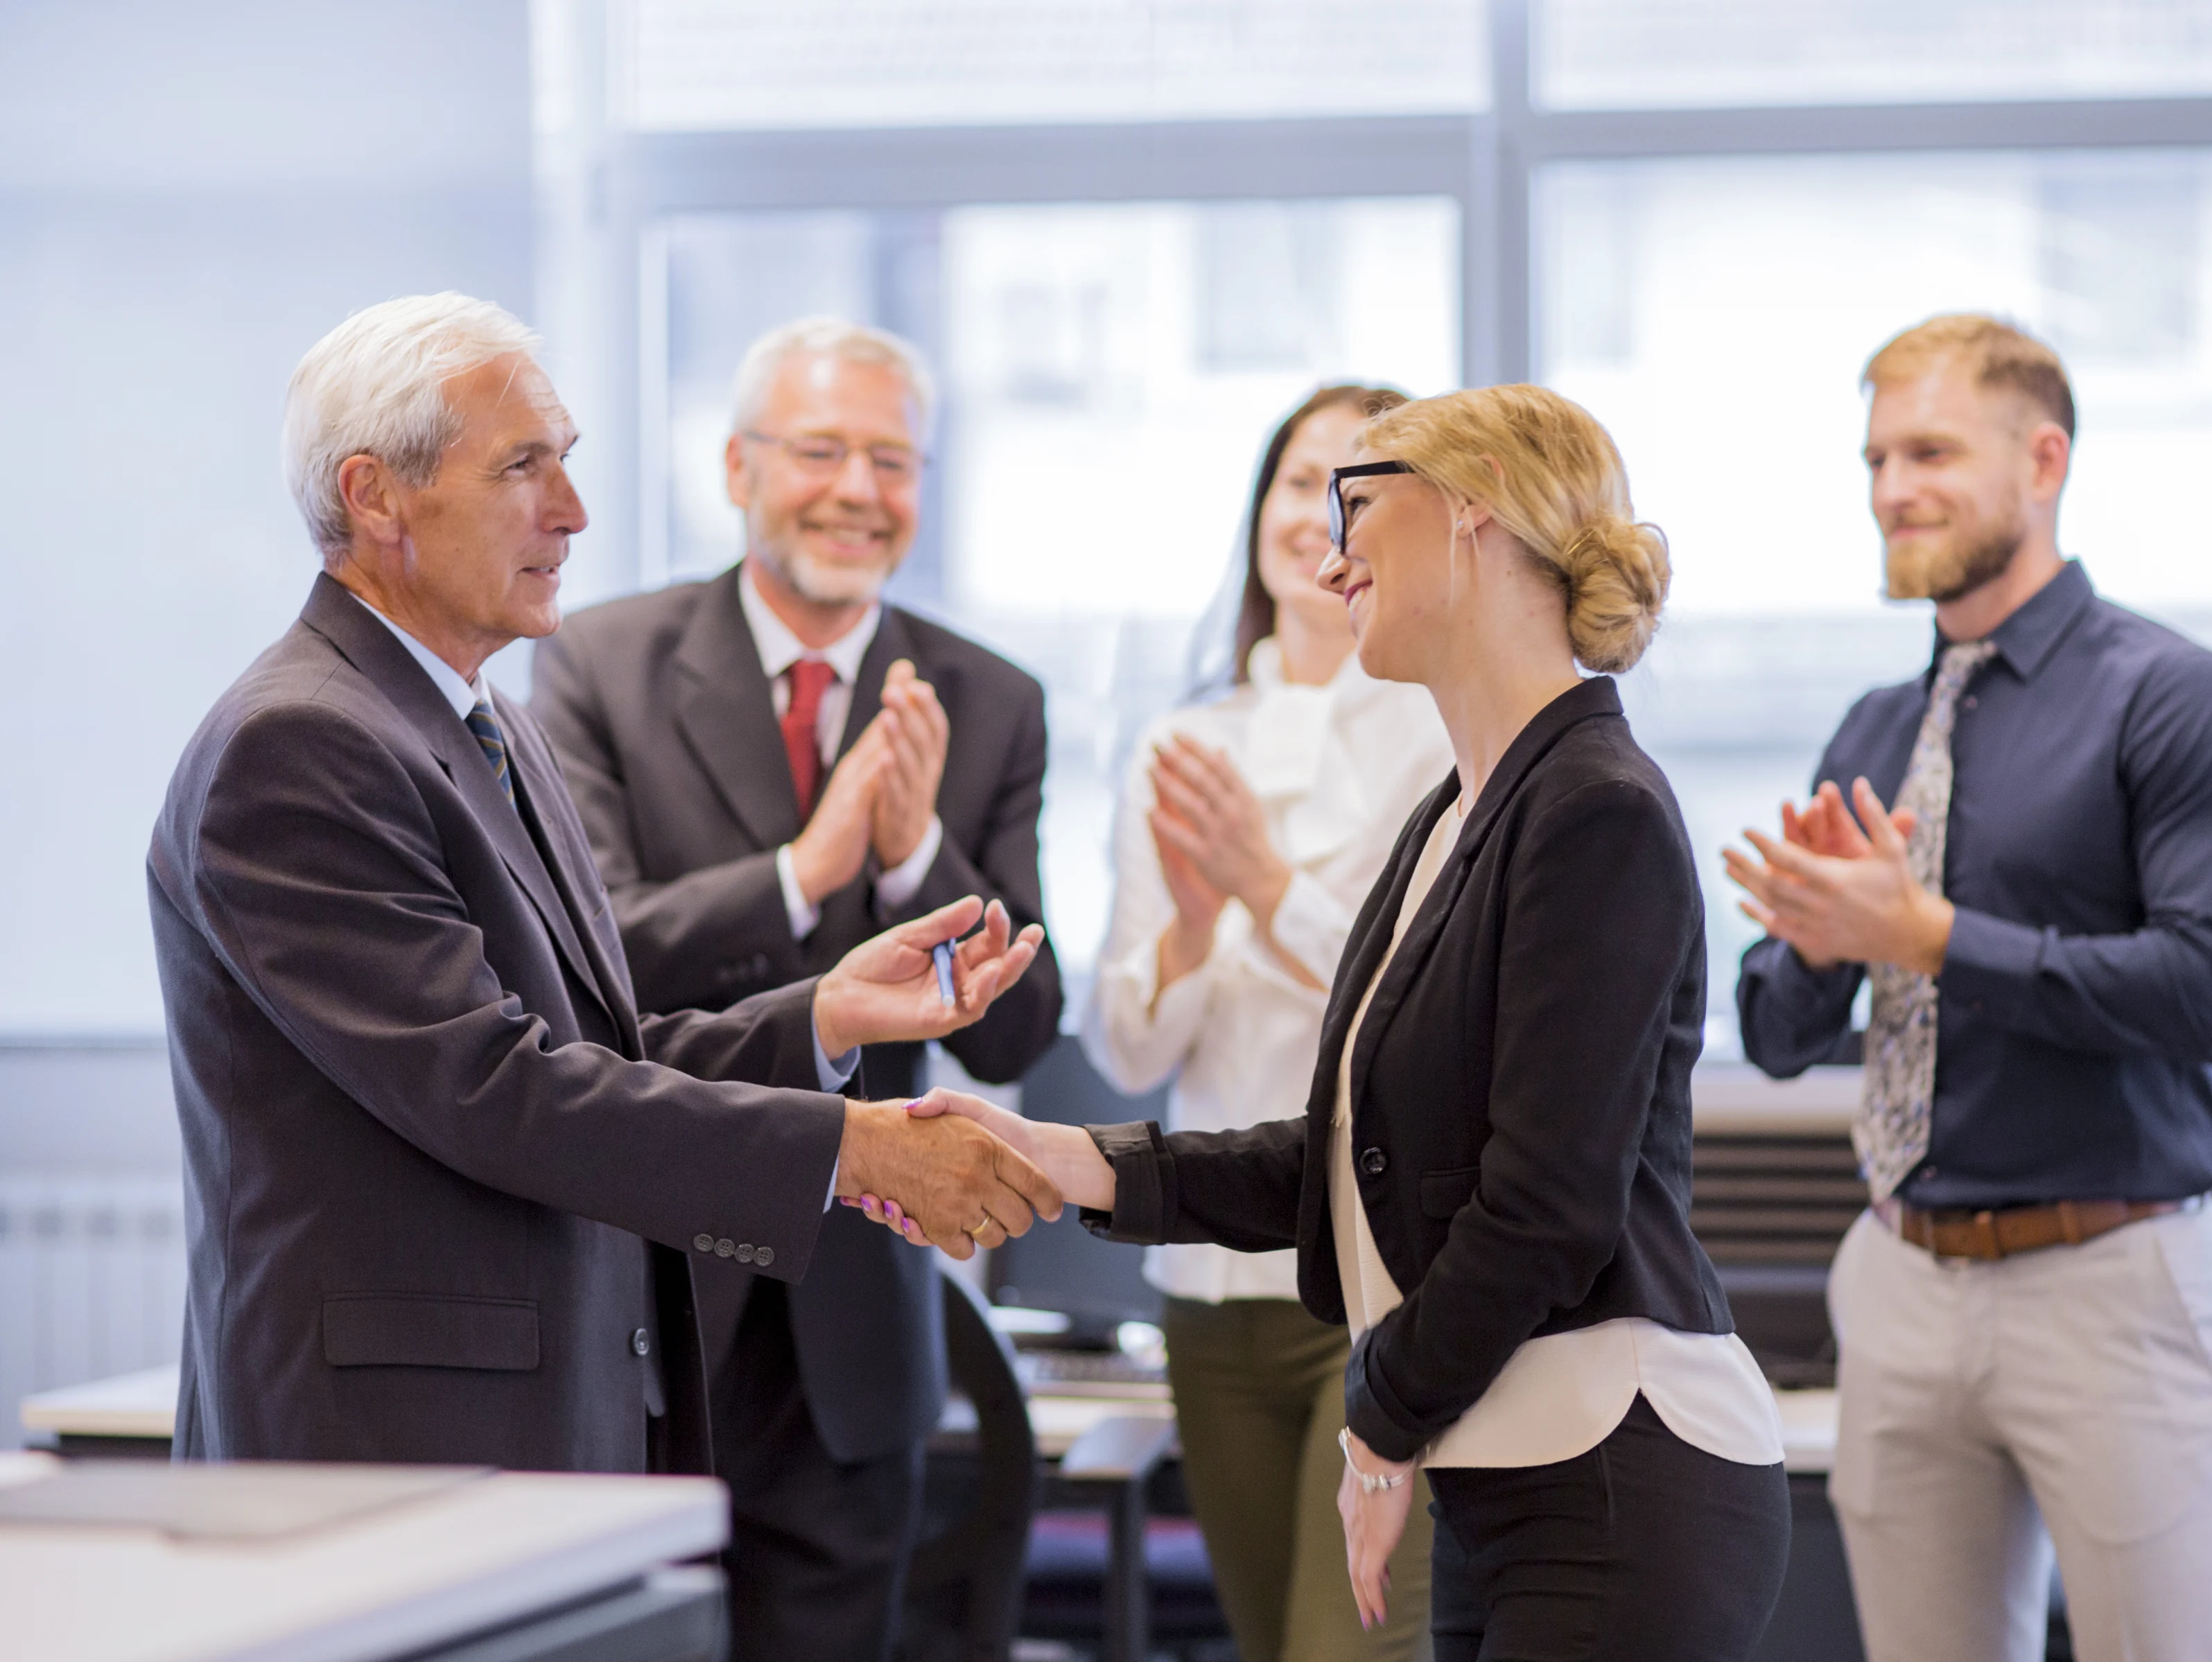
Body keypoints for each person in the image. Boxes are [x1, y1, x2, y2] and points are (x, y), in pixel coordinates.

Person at [912, 385, 1793, 1661]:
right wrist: (1079, 1161)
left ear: (1476, 509)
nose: (1330, 558)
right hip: (1507, 1475)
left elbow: (1545, 1206)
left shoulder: (1598, 807)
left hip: (1619, 1474)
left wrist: (1377, 1419)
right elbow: (1346, 1152)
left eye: (1359, 507)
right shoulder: (1454, 815)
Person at [148, 292, 1062, 1482]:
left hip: (519, 1429)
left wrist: (820, 1018)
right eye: (523, 467)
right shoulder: (301, 745)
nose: (573, 513)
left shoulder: (488, 725)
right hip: (384, 1457)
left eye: (566, 462)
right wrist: (854, 1147)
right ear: (375, 497)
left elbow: (592, 1043)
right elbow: (495, 1087)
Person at [1727, 314, 2212, 1662]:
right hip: (1899, 1274)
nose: (1888, 489)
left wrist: (1927, 933)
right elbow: (1772, 1035)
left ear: (2045, 459)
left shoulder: (2177, 698)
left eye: (1928, 450)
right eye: (1872, 458)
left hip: (2113, 1277)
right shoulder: (1875, 724)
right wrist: (1814, 945)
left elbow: (2211, 991)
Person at [531, 317, 1064, 1662]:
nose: (857, 488)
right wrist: (801, 869)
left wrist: (908, 865)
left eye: (892, 458)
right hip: (647, 1298)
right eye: (821, 447)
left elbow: (1017, 1033)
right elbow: (581, 970)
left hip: (854, 1328)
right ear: (736, 464)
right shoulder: (597, 662)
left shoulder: (988, 698)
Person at [1088, 385, 1451, 1662]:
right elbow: (1127, 1049)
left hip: (1378, 1283)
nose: (1323, 515)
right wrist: (1193, 927)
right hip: (1209, 1286)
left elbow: (1420, 1009)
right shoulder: (1182, 742)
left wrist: (1264, 885)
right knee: (1264, 1641)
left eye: (1362, 487)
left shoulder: (1443, 728)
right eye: (1301, 480)